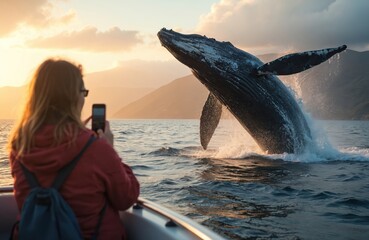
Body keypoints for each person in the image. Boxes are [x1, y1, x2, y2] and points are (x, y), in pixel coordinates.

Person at [7, 58, 140, 239]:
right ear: (74, 97)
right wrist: (110, 149)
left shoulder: (19, 146)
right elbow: (126, 198)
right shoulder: (96, 147)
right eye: (83, 92)